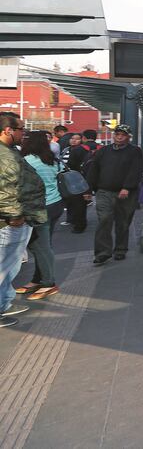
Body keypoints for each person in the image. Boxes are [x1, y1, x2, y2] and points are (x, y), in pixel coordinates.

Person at [0, 112, 46, 327]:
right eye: (21, 129)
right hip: (10, 222)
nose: (24, 134)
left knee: (9, 267)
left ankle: (4, 304)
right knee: (3, 267)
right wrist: (15, 215)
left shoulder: (9, 152)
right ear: (8, 131)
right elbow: (6, 189)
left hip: (17, 219)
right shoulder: (5, 155)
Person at [85, 124, 143, 265]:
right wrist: (88, 190)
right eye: (117, 134)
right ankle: (102, 252)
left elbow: (135, 170)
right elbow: (93, 170)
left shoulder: (134, 151)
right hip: (104, 191)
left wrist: (127, 187)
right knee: (104, 219)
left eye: (122, 135)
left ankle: (120, 249)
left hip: (125, 193)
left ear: (128, 137)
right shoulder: (103, 151)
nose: (119, 137)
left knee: (122, 222)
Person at [16, 131, 63, 299]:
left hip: (39, 208)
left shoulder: (27, 161)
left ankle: (49, 283)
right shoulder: (53, 160)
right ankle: (38, 279)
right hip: (55, 204)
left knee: (39, 247)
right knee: (43, 245)